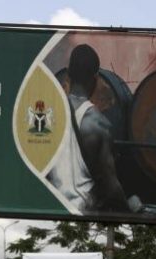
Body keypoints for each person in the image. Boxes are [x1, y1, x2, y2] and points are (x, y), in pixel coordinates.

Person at [47, 44, 130, 213]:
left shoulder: (49, 114)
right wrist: (129, 207)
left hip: (49, 209)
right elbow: (111, 187)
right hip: (83, 214)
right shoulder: (99, 125)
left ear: (68, 73)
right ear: (96, 78)